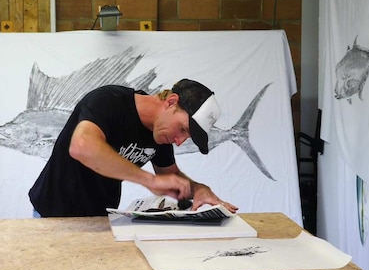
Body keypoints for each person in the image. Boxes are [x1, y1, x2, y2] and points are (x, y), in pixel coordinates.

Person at [29, 79, 239, 217]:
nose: (179, 141)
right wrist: (149, 180)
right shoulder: (108, 101)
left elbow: (170, 176)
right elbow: (82, 146)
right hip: (52, 214)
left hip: (99, 221)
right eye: (183, 129)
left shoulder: (160, 134)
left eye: (187, 137)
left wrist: (198, 189)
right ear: (171, 102)